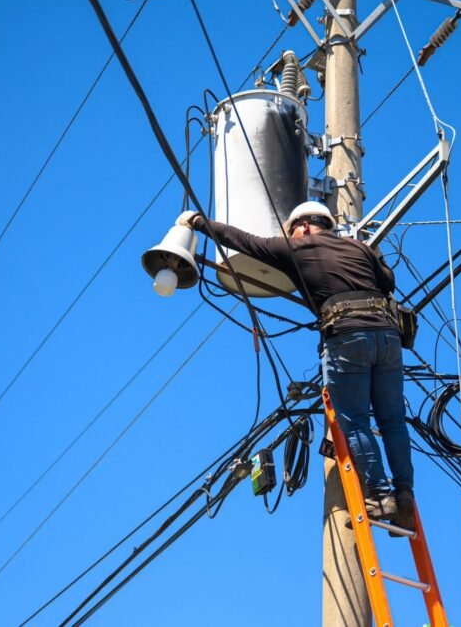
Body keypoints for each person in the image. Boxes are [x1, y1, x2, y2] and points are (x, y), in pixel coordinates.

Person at [178, 202, 415, 530]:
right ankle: (405, 496)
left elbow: (244, 242)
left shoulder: (297, 246)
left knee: (356, 422)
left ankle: (379, 495)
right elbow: (387, 281)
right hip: (388, 338)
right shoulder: (360, 247)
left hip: (346, 336)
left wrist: (198, 223)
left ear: (302, 227)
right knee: (392, 421)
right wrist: (372, 257)